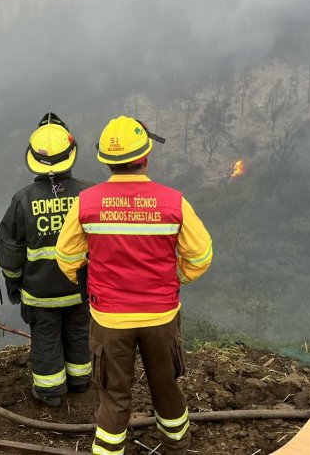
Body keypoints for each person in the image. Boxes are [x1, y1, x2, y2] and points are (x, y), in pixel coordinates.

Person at [56, 115, 213, 455]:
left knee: (113, 396)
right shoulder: (173, 202)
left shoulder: (86, 203)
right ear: (145, 157)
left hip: (109, 320)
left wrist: (92, 286)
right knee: (166, 389)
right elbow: (201, 256)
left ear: (105, 161)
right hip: (161, 318)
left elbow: (67, 257)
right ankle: (176, 446)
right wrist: (176, 279)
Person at [0, 113, 93, 408]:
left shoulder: (22, 199)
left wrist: (13, 282)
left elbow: (10, 249)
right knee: (78, 332)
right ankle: (80, 381)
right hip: (80, 289)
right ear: (71, 155)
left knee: (46, 338)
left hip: (40, 293)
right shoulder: (89, 194)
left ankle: (50, 392)